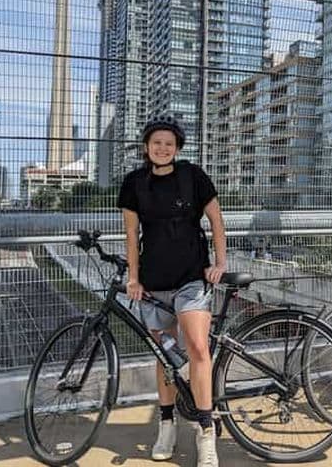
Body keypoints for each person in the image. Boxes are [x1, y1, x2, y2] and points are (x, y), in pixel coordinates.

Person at [117, 114, 227, 467]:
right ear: (146, 147)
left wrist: (220, 262)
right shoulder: (134, 183)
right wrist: (134, 279)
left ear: (177, 147)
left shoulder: (192, 176)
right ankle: (166, 424)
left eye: (169, 143)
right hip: (153, 282)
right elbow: (132, 236)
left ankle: (205, 431)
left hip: (192, 277)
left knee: (196, 348)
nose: (162, 148)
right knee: (165, 358)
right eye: (156, 143)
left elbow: (216, 219)